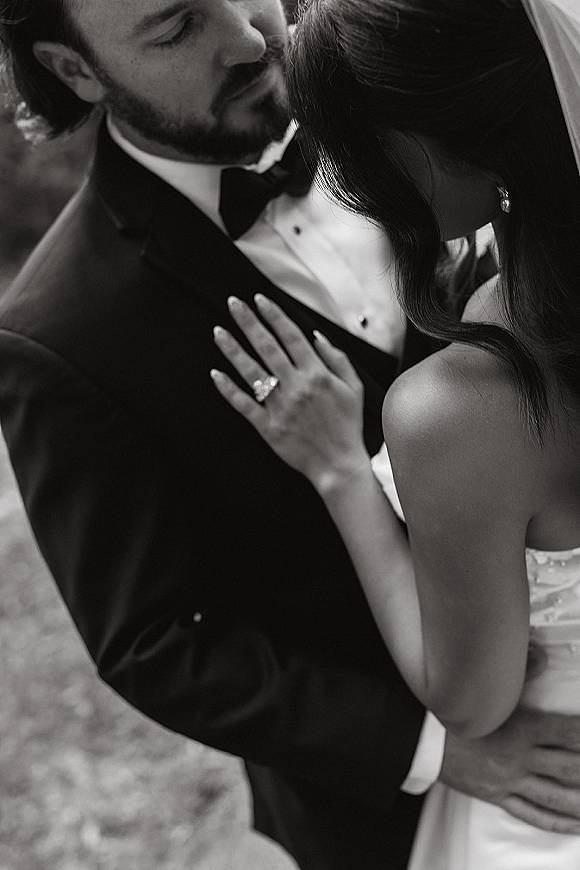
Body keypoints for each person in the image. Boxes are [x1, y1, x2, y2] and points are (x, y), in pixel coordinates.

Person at [0, 1, 579, 869]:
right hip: (382, 808)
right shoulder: (59, 335)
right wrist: (429, 749)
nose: (244, 36)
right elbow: (157, 643)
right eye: (175, 27)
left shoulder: (422, 71)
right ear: (78, 71)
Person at [210, 0, 580, 867]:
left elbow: (471, 704)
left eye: (359, 140)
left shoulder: (463, 407)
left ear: (447, 140)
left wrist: (341, 469)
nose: (342, 168)